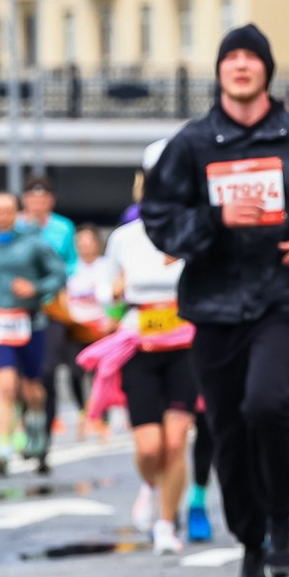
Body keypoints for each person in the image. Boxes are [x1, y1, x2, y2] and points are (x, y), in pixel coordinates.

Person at [141, 24, 289, 577]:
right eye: (230, 58)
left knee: (268, 403)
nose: (240, 66)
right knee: (229, 429)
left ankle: (282, 515)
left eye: (251, 58)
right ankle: (249, 541)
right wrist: (215, 221)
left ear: (267, 70)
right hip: (216, 306)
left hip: (287, 299)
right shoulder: (191, 144)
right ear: (219, 72)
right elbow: (161, 221)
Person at [106, 139, 197, 555]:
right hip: (139, 344)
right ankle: (149, 483)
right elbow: (104, 293)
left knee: (176, 442)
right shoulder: (125, 238)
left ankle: (166, 523)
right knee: (149, 446)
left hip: (185, 345)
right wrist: (116, 291)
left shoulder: (194, 231)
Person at [0, 190, 67, 475]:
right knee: (4, 386)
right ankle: (3, 448)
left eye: (7, 211)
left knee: (31, 388)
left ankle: (36, 423)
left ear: (17, 213)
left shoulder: (33, 242)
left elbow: (58, 274)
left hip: (31, 322)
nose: (1, 217)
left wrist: (36, 288)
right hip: (0, 323)